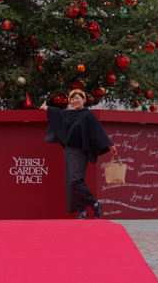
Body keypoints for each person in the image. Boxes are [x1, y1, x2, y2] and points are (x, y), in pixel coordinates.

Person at [40, 90, 116, 219]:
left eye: (77, 98)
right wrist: (46, 107)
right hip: (70, 149)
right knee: (71, 181)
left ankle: (92, 204)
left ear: (83, 100)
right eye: (72, 99)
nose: (75, 101)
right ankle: (83, 211)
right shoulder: (70, 115)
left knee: (76, 179)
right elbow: (58, 114)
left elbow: (98, 131)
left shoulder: (88, 115)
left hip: (81, 150)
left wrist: (109, 144)